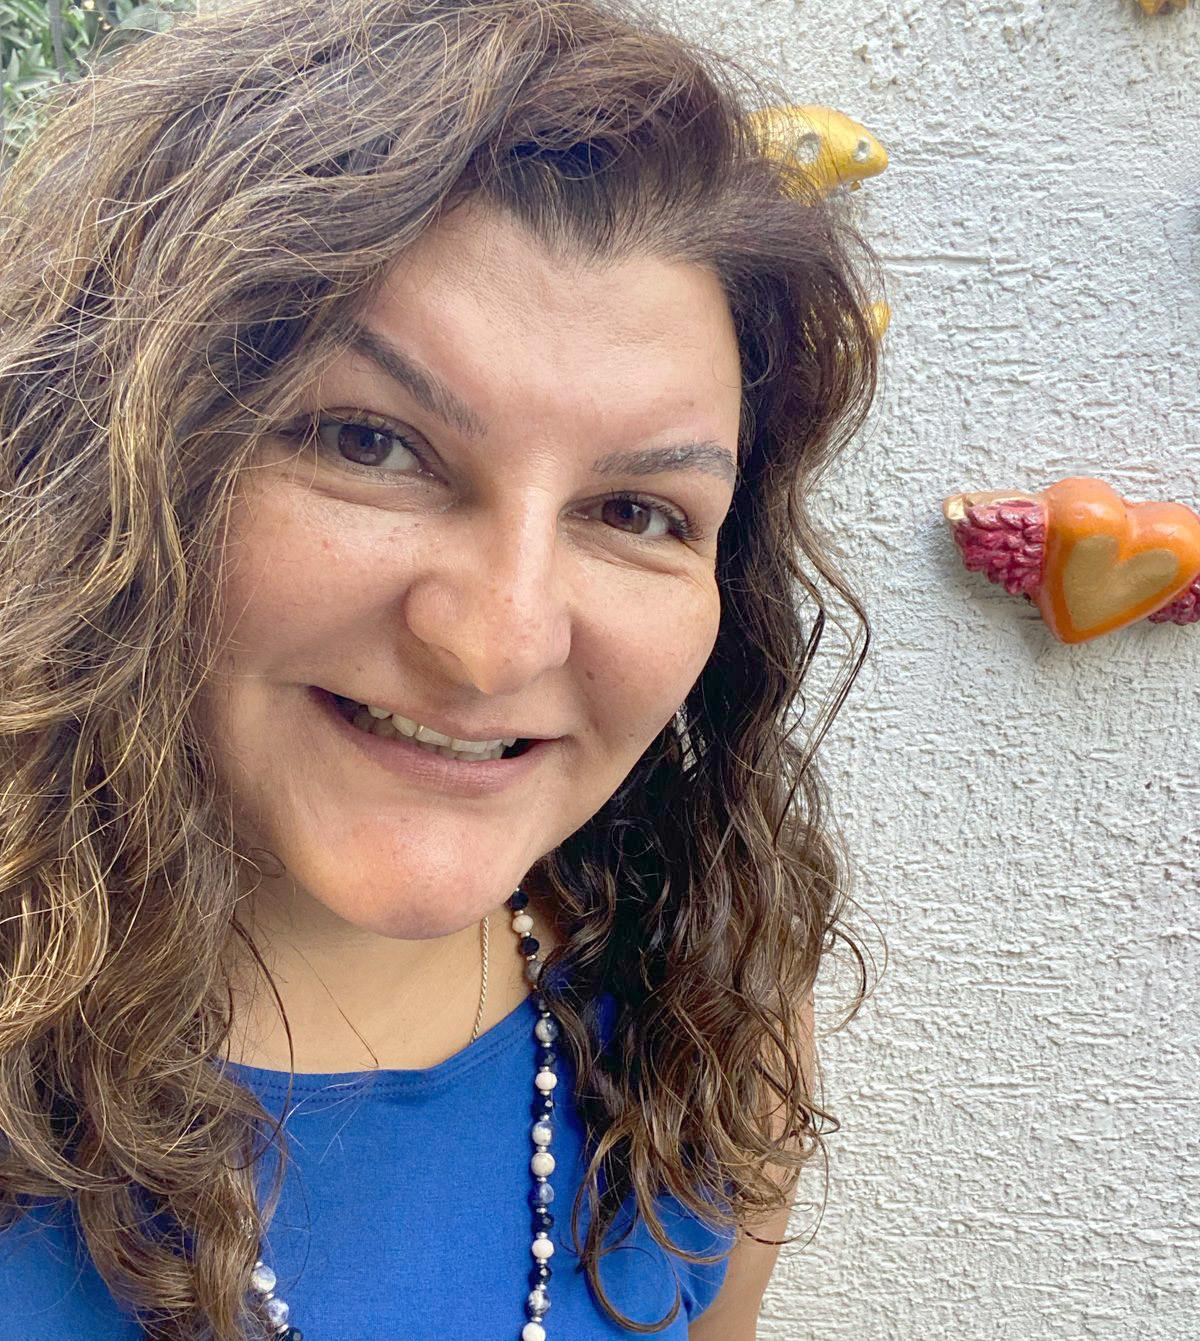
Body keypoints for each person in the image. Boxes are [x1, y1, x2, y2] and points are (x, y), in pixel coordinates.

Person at [0, 0, 880, 1337]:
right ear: (112, 465)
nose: (499, 640)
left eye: (636, 511)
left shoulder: (712, 1029)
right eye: (368, 442)